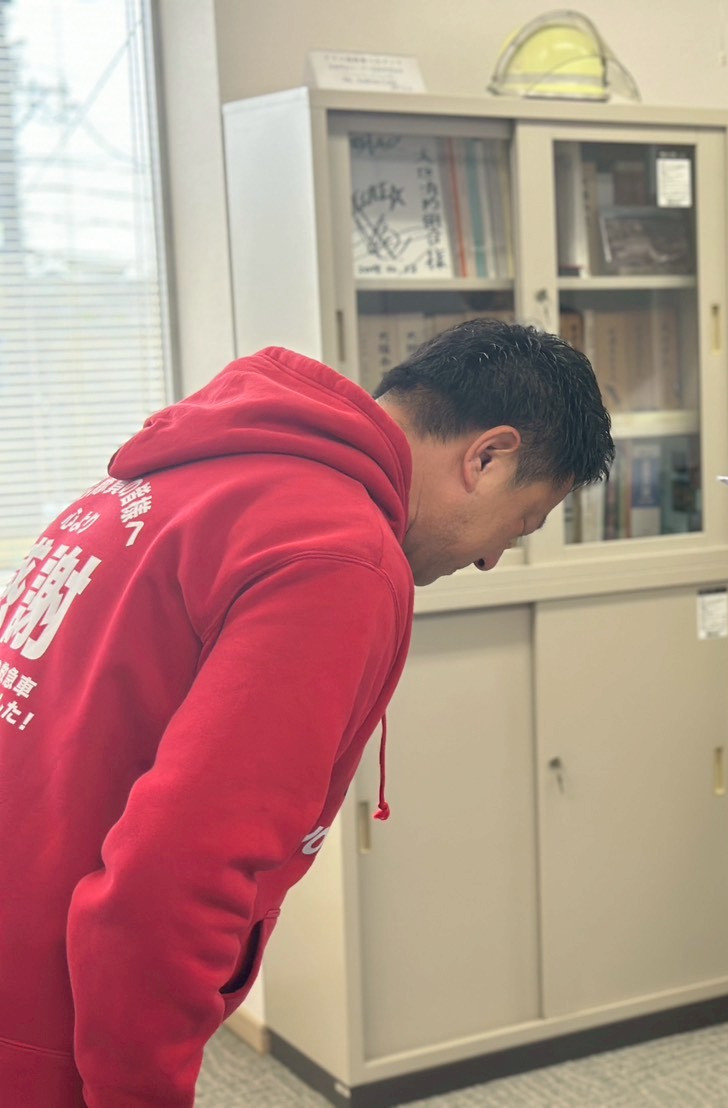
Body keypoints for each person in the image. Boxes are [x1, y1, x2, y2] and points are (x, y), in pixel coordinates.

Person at [0, 319, 613, 1106]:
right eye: (523, 522)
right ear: (487, 457)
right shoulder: (338, 556)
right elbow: (177, 876)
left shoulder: (191, 472)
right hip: (43, 1021)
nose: (493, 557)